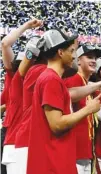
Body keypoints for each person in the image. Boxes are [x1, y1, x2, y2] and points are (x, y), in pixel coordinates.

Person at [26, 29, 101, 174]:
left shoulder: (52, 79)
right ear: (60, 52)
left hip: (55, 159)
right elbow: (57, 124)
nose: (74, 56)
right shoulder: (51, 79)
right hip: (52, 162)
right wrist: (88, 109)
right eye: (71, 51)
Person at [1, 18, 43, 174]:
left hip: (28, 142)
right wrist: (26, 26)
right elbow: (5, 44)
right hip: (16, 143)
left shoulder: (42, 78)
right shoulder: (15, 78)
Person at [63, 45, 101, 174]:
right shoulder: (73, 79)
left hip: (84, 152)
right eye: (89, 57)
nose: (94, 61)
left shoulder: (86, 83)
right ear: (78, 60)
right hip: (74, 151)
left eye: (95, 58)